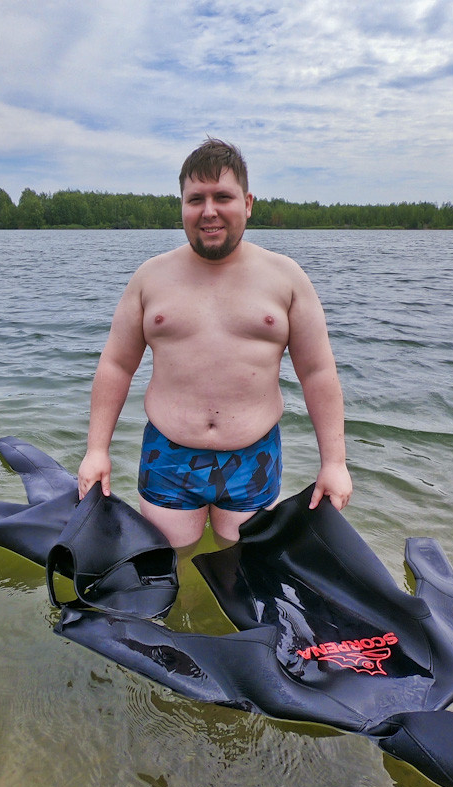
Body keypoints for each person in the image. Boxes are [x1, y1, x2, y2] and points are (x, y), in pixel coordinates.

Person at [78, 138, 352, 547]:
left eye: (222, 196)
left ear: (248, 203)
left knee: (242, 577)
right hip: (168, 456)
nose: (209, 211)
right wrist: (96, 450)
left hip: (253, 457)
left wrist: (335, 463)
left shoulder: (287, 279)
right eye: (196, 199)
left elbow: (317, 372)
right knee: (170, 571)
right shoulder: (149, 278)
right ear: (182, 206)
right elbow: (117, 364)